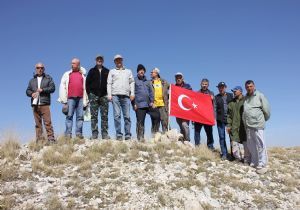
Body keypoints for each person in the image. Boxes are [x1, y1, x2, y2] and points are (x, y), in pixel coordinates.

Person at [243, 80, 270, 174]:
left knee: (260, 144)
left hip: (258, 124)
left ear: (254, 86)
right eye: (247, 87)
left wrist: (262, 120)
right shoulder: (245, 98)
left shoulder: (260, 95)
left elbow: (266, 110)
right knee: (251, 145)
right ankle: (254, 161)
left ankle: (262, 163)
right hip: (248, 125)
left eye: (250, 86)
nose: (249, 88)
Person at [58, 58, 88, 139]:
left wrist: (86, 101)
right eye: (71, 63)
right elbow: (62, 86)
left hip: (81, 98)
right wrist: (64, 100)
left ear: (78, 65)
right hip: (70, 98)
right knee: (69, 116)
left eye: (74, 63)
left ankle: (78, 134)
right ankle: (68, 134)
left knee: (80, 117)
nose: (72, 64)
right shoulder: (67, 74)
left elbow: (86, 88)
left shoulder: (83, 75)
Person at [26, 63, 56, 143]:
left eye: (42, 68)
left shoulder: (48, 78)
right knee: (37, 123)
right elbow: (27, 91)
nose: (40, 69)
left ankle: (51, 139)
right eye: (38, 68)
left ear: (44, 69)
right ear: (35, 69)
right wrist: (31, 94)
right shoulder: (32, 81)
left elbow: (53, 88)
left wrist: (43, 90)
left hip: (44, 103)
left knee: (48, 122)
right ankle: (39, 140)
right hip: (35, 104)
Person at [107, 54, 135, 140]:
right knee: (117, 116)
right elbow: (109, 83)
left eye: (120, 60)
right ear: (115, 62)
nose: (118, 61)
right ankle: (119, 134)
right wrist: (109, 94)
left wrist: (132, 93)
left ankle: (127, 135)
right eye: (116, 60)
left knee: (127, 116)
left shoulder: (128, 71)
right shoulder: (112, 71)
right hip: (115, 95)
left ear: (122, 60)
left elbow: (132, 82)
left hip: (126, 96)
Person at [132, 64, 160, 141]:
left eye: (143, 70)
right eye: (140, 70)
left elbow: (151, 92)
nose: (142, 71)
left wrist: (152, 102)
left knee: (157, 115)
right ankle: (140, 138)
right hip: (139, 105)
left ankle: (154, 134)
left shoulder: (148, 82)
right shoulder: (134, 80)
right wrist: (133, 103)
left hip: (149, 104)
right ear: (137, 72)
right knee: (140, 122)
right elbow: (131, 93)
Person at [86, 55, 110, 140]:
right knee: (94, 116)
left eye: (101, 59)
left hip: (104, 96)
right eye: (98, 59)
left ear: (103, 61)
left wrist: (108, 94)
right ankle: (94, 134)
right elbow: (87, 83)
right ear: (96, 61)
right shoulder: (92, 71)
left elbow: (110, 83)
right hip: (94, 96)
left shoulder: (107, 71)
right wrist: (90, 94)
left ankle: (105, 134)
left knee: (104, 116)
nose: (99, 60)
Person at [227, 86, 250, 163]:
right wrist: (229, 125)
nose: (234, 92)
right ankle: (237, 158)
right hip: (234, 126)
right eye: (233, 91)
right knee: (234, 142)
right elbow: (229, 116)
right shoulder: (231, 103)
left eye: (235, 91)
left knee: (245, 143)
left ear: (240, 91)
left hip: (244, 126)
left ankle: (246, 159)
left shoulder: (246, 100)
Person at [194, 78, 215, 149]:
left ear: (208, 85)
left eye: (206, 84)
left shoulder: (211, 93)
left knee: (209, 133)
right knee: (197, 132)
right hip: (198, 116)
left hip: (207, 116)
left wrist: (212, 99)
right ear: (200, 84)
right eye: (203, 84)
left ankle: (210, 147)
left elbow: (214, 105)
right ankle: (197, 146)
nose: (204, 85)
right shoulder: (196, 93)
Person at [215, 82, 233, 160]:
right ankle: (224, 154)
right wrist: (215, 118)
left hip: (229, 120)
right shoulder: (216, 97)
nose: (221, 88)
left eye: (222, 87)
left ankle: (233, 154)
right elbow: (214, 108)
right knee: (222, 137)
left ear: (225, 87)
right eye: (219, 87)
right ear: (218, 88)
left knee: (231, 137)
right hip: (220, 120)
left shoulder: (230, 95)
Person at [150, 67, 170, 133]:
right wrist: (151, 102)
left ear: (156, 73)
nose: (151, 73)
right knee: (155, 122)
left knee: (164, 121)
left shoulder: (164, 82)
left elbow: (172, 88)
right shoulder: (150, 82)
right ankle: (154, 136)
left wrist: (169, 98)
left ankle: (166, 135)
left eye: (152, 72)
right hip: (154, 105)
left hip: (163, 105)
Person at [174, 72, 192, 141]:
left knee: (185, 125)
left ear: (182, 78)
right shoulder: (174, 87)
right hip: (177, 110)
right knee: (181, 125)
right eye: (177, 78)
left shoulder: (187, 86)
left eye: (179, 78)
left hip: (185, 110)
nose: (178, 79)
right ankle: (183, 140)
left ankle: (187, 140)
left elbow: (192, 96)